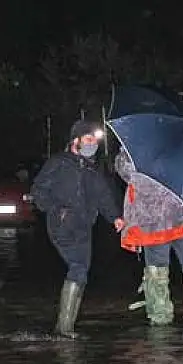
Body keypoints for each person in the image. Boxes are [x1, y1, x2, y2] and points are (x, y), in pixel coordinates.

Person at [30, 120, 124, 338]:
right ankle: (63, 329)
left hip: (84, 226)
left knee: (81, 272)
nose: (93, 144)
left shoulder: (92, 169)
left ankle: (65, 328)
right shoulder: (59, 163)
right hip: (61, 224)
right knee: (78, 267)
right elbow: (38, 190)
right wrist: (56, 209)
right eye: (88, 139)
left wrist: (115, 217)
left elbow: (103, 196)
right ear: (76, 141)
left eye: (95, 141)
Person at [113, 151, 183, 325]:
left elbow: (127, 173)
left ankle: (160, 316)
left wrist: (125, 155)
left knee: (156, 271)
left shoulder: (138, 148)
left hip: (154, 221)